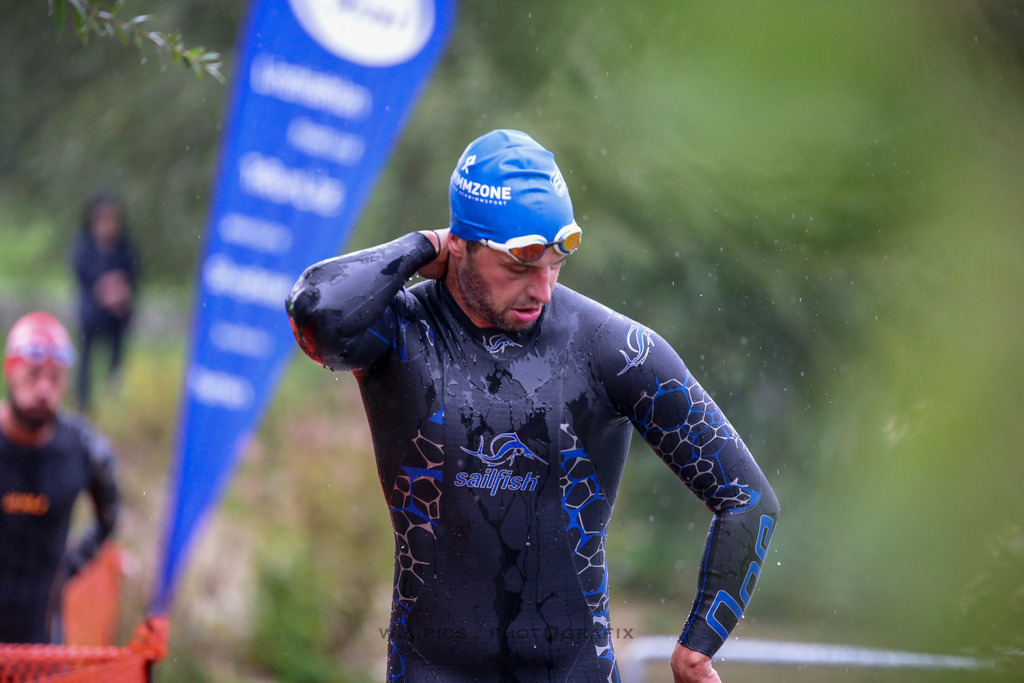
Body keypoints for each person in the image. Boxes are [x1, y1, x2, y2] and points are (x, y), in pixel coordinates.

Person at [286, 129, 779, 682]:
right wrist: (422, 245)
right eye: (520, 268)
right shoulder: (401, 333)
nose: (542, 291)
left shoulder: (609, 349)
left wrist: (698, 647)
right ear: (463, 246)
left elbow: (748, 499)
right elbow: (315, 313)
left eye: (554, 265)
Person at [0, 311, 120, 644]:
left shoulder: (85, 448)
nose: (43, 390)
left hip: (42, 642)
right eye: (33, 375)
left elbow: (109, 517)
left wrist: (69, 566)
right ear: (11, 372)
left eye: (54, 379)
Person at [69, 190, 139, 412]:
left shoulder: (124, 245)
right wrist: (105, 288)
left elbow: (133, 274)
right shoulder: (85, 245)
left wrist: (119, 291)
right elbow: (83, 274)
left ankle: (113, 398)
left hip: (117, 315)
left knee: (116, 359)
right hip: (91, 313)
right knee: (85, 359)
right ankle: (83, 402)